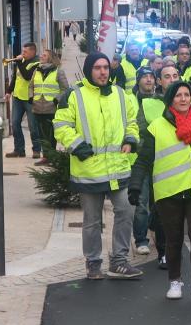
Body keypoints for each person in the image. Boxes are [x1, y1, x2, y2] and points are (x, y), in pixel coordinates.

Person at [129, 81, 191, 300]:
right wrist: (135, 184)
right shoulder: (158, 127)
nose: (183, 99)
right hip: (168, 191)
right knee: (173, 238)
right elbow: (144, 160)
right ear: (170, 99)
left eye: (186, 95)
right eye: (178, 95)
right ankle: (175, 282)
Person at [53, 52, 141, 280]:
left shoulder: (120, 94)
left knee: (125, 211)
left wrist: (131, 139)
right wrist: (77, 145)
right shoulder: (74, 95)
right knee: (92, 221)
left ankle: (119, 261)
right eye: (97, 68)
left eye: (105, 68)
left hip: (117, 168)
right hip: (89, 170)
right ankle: (93, 263)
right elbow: (61, 125)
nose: (103, 72)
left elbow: (131, 122)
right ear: (89, 70)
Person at [131, 67, 167, 264]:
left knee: (158, 201)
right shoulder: (131, 100)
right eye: (144, 77)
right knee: (142, 201)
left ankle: (155, 230)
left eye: (151, 77)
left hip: (159, 157)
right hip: (139, 158)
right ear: (138, 80)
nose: (148, 80)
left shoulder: (161, 101)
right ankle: (141, 238)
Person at [29, 48, 70, 165]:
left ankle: (51, 157)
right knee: (41, 134)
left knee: (51, 135)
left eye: (44, 55)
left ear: (50, 58)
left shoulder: (58, 71)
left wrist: (57, 99)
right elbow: (31, 86)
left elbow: (65, 88)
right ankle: (46, 157)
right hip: (37, 107)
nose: (41, 56)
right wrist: (31, 96)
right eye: (42, 54)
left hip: (51, 108)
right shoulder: (36, 70)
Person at [5, 42, 41, 158]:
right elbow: (16, 77)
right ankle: (19, 149)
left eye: (25, 52)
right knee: (15, 123)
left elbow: (27, 76)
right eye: (22, 51)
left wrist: (19, 62)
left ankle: (36, 149)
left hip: (30, 98)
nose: (22, 54)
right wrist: (9, 92)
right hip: (18, 97)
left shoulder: (37, 63)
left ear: (32, 52)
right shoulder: (21, 62)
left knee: (33, 125)